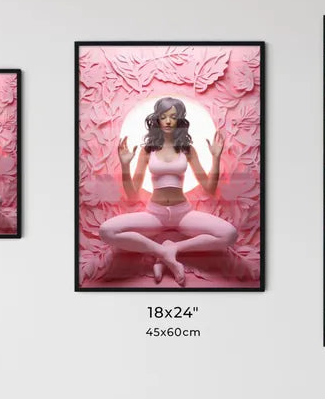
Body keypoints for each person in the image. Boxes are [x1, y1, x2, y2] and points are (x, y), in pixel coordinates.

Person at [99, 97, 237, 285]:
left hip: (183, 213)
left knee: (230, 234)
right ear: (157, 119)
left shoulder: (187, 150)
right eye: (163, 116)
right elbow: (132, 194)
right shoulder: (147, 151)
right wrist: (125, 165)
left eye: (173, 116)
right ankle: (162, 252)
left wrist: (216, 158)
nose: (168, 121)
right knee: (107, 230)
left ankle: (173, 248)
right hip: (155, 214)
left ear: (179, 119)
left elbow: (209, 187)